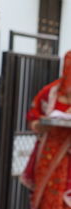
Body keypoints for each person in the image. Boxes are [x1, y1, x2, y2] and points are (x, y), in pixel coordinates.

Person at [21, 51, 71, 209]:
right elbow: (32, 119)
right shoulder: (49, 93)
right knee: (45, 199)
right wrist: (42, 125)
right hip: (48, 154)